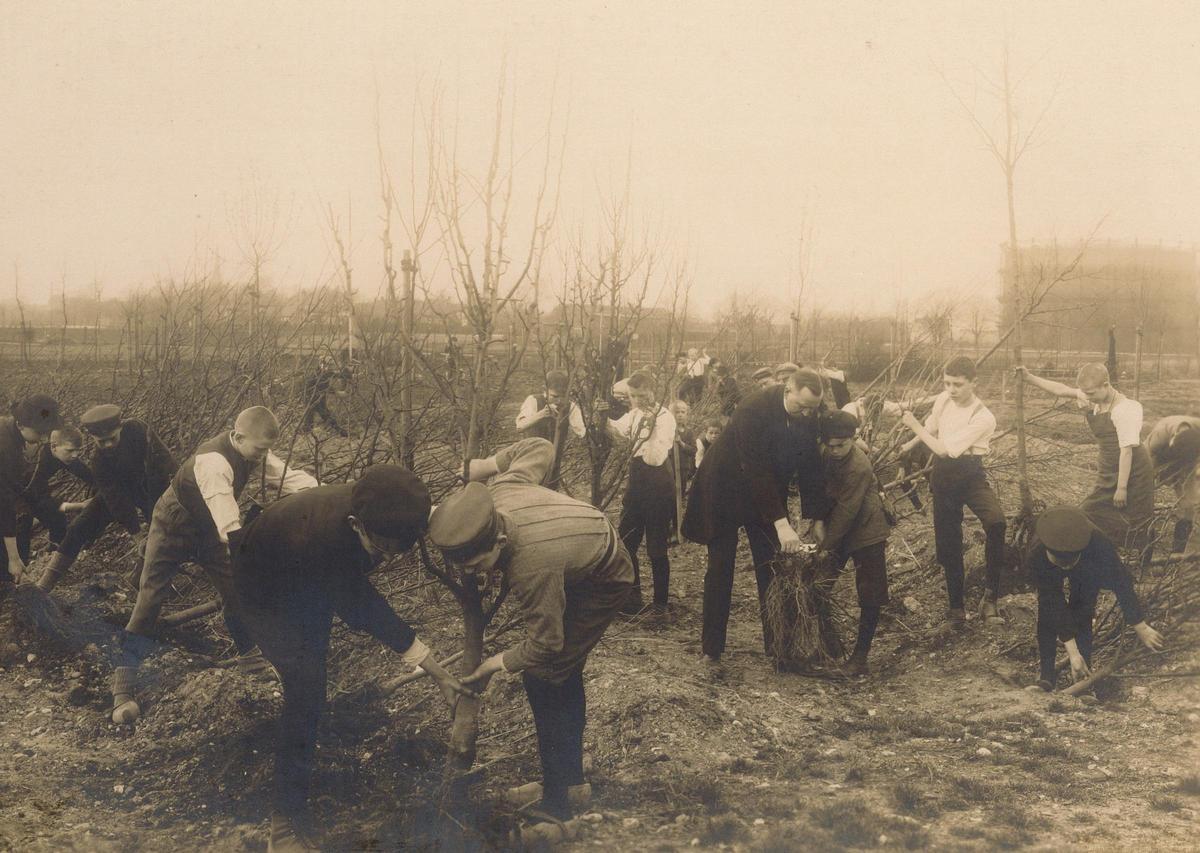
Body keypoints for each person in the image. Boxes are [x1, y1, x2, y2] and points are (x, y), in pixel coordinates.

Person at [228, 465, 466, 851]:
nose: (388, 558)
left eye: (397, 550)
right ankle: (284, 824)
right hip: (262, 588)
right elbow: (366, 608)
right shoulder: (325, 541)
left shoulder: (389, 507)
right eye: (382, 550)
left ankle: (304, 749)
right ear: (356, 525)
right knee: (306, 689)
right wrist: (437, 672)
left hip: (306, 575)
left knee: (314, 673)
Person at [428, 438, 634, 822]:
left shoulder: (531, 566)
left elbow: (546, 643)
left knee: (543, 675)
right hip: (575, 555)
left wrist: (492, 665)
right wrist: (487, 465)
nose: (472, 575)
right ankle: (570, 782)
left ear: (500, 541)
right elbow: (539, 446)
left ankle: (557, 805)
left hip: (606, 577)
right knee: (561, 673)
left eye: (476, 566)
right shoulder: (501, 490)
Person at [111, 406, 319, 724]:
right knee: (150, 599)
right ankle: (123, 687)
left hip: (209, 532)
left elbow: (290, 478)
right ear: (238, 437)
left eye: (266, 450)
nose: (262, 456)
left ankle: (252, 663)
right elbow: (229, 527)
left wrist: (325, 495)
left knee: (237, 590)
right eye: (259, 449)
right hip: (173, 526)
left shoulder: (254, 450)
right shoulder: (214, 463)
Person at [682, 368, 829, 663]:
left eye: (811, 409)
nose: (806, 414)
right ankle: (712, 649)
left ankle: (778, 648)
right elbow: (756, 469)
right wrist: (782, 524)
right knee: (720, 567)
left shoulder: (808, 412)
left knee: (772, 565)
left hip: (765, 493)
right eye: (801, 406)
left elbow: (811, 464)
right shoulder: (753, 408)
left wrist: (815, 517)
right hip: (725, 489)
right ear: (787, 389)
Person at [900, 357, 1006, 624]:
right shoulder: (943, 399)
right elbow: (931, 427)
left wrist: (913, 425)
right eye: (947, 383)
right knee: (949, 541)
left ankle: (990, 598)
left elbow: (944, 449)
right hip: (944, 476)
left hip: (970, 473)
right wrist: (909, 445)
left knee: (996, 522)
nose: (951, 389)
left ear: (973, 382)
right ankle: (956, 607)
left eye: (957, 384)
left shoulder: (983, 417)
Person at [35, 405, 176, 593]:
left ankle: (145, 582)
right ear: (92, 438)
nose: (108, 444)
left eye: (112, 438)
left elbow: (163, 464)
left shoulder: (137, 429)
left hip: (151, 486)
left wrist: (157, 514)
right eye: (101, 441)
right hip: (121, 490)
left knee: (159, 533)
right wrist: (136, 534)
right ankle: (44, 586)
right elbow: (116, 499)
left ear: (120, 428)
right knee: (78, 527)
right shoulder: (98, 462)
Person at [1018, 364, 1155, 552]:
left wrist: (1122, 488)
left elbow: (1127, 451)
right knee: (1092, 510)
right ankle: (1103, 549)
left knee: (1133, 515)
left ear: (1105, 385)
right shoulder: (1093, 397)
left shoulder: (1125, 410)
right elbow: (1061, 390)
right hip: (1109, 466)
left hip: (1133, 470)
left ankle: (1140, 554)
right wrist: (1029, 378)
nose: (1087, 397)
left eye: (1090, 393)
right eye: (1085, 393)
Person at [1027, 505, 1164, 691]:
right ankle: (1046, 676)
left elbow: (1121, 581)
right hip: (1048, 571)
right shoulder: (1035, 552)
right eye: (1060, 563)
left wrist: (1140, 625)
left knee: (1083, 607)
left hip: (1086, 563)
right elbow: (1052, 602)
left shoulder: (1097, 544)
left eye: (1069, 563)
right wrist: (1072, 652)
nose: (1065, 568)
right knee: (1047, 615)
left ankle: (1084, 676)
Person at [815, 411, 893, 677]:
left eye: (841, 445)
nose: (835, 451)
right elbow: (820, 490)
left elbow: (847, 510)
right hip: (839, 526)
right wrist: (817, 520)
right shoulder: (825, 453)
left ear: (853, 439)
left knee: (870, 594)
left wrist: (826, 547)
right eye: (831, 445)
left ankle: (860, 658)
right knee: (818, 584)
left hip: (867, 530)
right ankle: (831, 646)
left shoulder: (860, 467)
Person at [607, 372, 676, 613]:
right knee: (627, 542)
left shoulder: (665, 417)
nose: (637, 400)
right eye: (633, 396)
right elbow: (618, 429)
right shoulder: (634, 413)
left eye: (642, 395)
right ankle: (632, 600)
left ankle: (660, 604)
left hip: (658, 486)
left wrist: (650, 430)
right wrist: (602, 417)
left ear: (653, 392)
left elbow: (655, 458)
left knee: (656, 547)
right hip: (636, 484)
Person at [0, 395, 63, 586]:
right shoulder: (5, 446)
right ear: (21, 425)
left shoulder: (10, 431)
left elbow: (15, 487)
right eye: (40, 432)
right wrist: (13, 558)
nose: (44, 438)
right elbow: (5, 503)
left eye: (47, 432)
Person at [18, 425, 94, 560]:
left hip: (30, 493)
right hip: (14, 496)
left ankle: (54, 552)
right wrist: (79, 506)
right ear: (53, 447)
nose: (75, 455)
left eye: (77, 451)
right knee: (22, 530)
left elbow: (89, 475)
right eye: (70, 450)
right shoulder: (37, 462)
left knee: (57, 519)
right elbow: (41, 501)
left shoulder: (63, 455)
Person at [1145, 415, 1200, 555]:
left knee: (1189, 501)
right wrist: (1149, 479)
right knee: (1145, 490)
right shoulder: (1160, 435)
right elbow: (1146, 459)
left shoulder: (1197, 429)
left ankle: (1179, 547)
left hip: (1189, 459)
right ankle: (1144, 532)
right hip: (1158, 456)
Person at [300, 355, 348, 437]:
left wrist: (351, 374)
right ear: (320, 364)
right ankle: (341, 432)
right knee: (313, 420)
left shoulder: (326, 373)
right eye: (326, 365)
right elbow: (324, 387)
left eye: (329, 365)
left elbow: (338, 375)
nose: (328, 367)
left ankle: (341, 432)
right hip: (311, 400)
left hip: (319, 399)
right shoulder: (316, 375)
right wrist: (337, 392)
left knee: (323, 417)